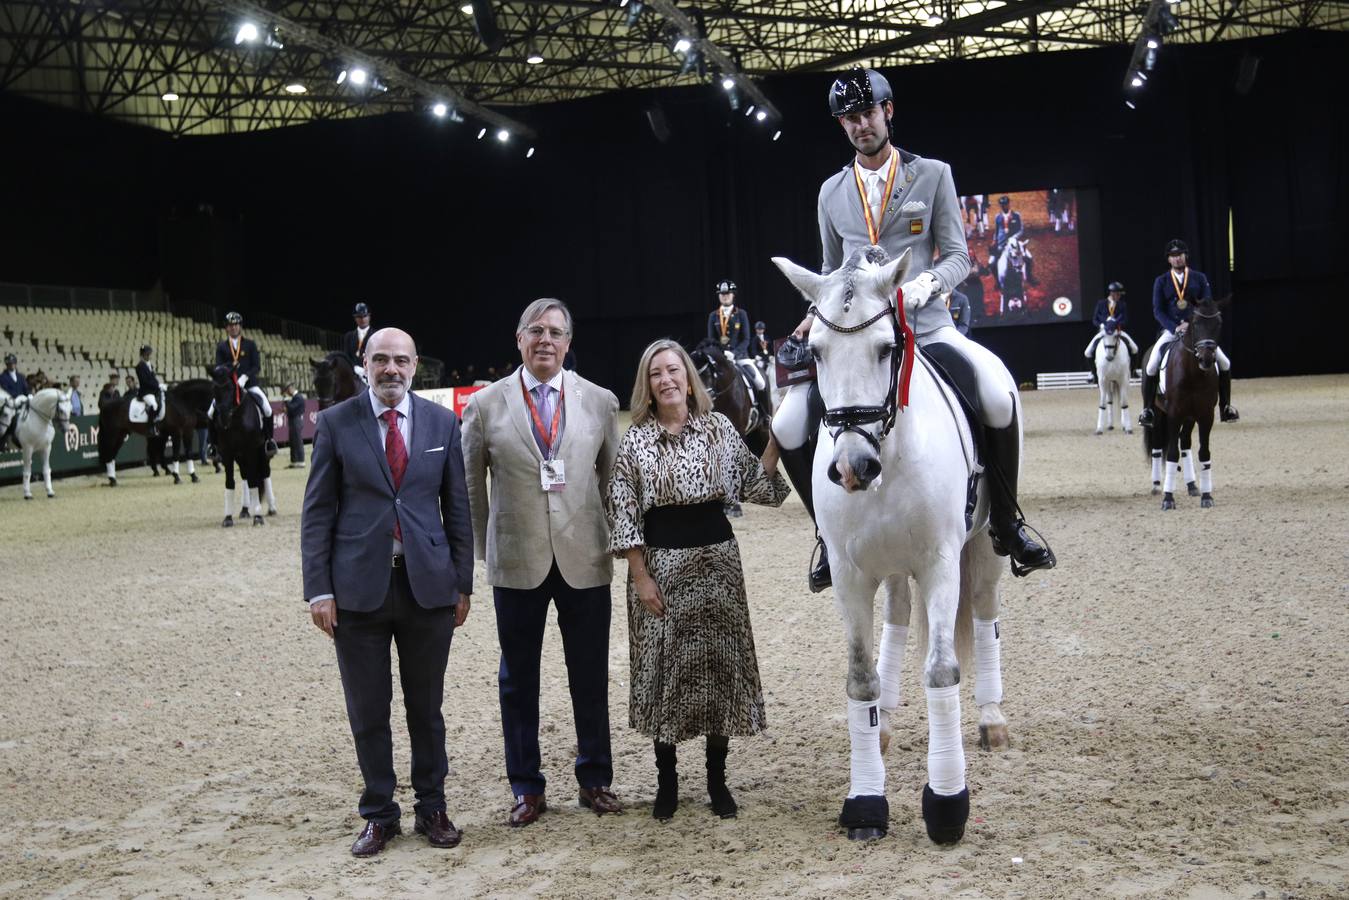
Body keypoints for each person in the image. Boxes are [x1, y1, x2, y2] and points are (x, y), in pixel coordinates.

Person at [773, 67, 1054, 591]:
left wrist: (924, 286)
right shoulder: (830, 193)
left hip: (927, 328)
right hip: (864, 341)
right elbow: (835, 269)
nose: (861, 126)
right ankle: (826, 536)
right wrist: (819, 310)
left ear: (888, 111)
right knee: (788, 426)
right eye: (849, 119)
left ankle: (1008, 522)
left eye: (868, 114)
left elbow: (958, 256)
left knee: (995, 395)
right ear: (842, 125)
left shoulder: (933, 176)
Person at [300, 327, 473, 858]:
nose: (391, 369)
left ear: (415, 365)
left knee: (427, 707)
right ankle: (379, 813)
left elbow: (458, 510)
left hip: (428, 589)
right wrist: (318, 591)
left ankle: (432, 807)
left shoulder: (444, 422)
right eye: (381, 360)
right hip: (356, 592)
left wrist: (461, 584)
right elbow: (317, 513)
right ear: (365, 364)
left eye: (400, 360)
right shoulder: (334, 423)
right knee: (368, 710)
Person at [607, 339, 789, 821]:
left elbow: (757, 485)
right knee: (667, 672)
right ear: (647, 386)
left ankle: (716, 780)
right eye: (655, 373)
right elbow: (623, 517)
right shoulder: (636, 441)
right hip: (662, 570)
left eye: (673, 370)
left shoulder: (719, 429)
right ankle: (667, 782)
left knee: (719, 671)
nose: (666, 379)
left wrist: (777, 437)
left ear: (689, 377)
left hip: (719, 567)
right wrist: (641, 577)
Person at [461, 298, 624, 827]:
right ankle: (526, 786)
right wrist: (487, 551)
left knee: (590, 674)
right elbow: (471, 490)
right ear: (519, 339)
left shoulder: (599, 401)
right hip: (517, 558)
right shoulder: (485, 405)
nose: (546, 340)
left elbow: (611, 479)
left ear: (569, 343)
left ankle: (595, 777)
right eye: (536, 331)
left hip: (584, 555)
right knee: (518, 679)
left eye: (556, 332)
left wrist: (602, 531)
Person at [1138, 240, 1239, 425]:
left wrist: (1192, 323)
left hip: (1197, 331)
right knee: (1152, 364)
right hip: (1171, 330)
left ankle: (1226, 407)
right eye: (1173, 256)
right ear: (1169, 259)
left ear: (1186, 256)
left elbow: (1207, 304)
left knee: (1225, 363)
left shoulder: (1199, 278)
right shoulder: (1161, 281)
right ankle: (1148, 410)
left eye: (1180, 255)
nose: (1177, 259)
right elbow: (1158, 310)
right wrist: (1175, 326)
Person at [212, 311, 277, 456]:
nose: (233, 328)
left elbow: (256, 366)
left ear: (240, 326)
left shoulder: (250, 345)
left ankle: (269, 441)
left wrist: (245, 377)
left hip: (249, 385)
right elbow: (218, 366)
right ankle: (214, 446)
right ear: (226, 328)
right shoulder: (222, 347)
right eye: (230, 325)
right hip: (229, 387)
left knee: (267, 409)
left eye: (236, 325)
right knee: (211, 412)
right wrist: (231, 376)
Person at [706, 280, 767, 396]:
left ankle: (763, 413)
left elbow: (746, 339)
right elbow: (711, 341)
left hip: (740, 357)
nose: (725, 297)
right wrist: (721, 354)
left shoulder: (741, 314)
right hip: (720, 359)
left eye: (727, 294)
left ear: (733, 295)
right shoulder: (713, 316)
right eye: (722, 294)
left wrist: (734, 353)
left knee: (760, 383)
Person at [1083, 281, 1140, 371]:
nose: (1119, 296)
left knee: (1134, 348)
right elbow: (1095, 319)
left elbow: (1125, 320)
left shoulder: (1122, 305)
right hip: (1104, 331)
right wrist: (1101, 325)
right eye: (1118, 294)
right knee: (1088, 352)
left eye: (1119, 295)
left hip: (1117, 331)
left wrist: (1116, 324)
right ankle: (1093, 372)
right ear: (1112, 293)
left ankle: (1133, 370)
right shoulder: (1101, 303)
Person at [135, 345, 163, 437]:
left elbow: (153, 378)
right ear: (142, 355)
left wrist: (159, 385)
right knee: (154, 405)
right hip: (146, 392)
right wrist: (157, 385)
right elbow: (145, 381)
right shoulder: (139, 366)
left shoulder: (150, 365)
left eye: (149, 354)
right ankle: (150, 427)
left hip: (153, 390)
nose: (149, 356)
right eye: (147, 354)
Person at [342, 302, 373, 379]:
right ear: (355, 318)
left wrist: (367, 369)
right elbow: (347, 356)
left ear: (369, 316)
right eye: (359, 317)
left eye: (365, 316)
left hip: (370, 373)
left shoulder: (376, 335)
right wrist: (354, 368)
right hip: (354, 373)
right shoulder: (349, 336)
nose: (362, 319)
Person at [283, 382, 307, 467]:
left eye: (287, 390)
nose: (287, 392)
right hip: (293, 420)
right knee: (293, 441)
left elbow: (292, 408)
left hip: (296, 420)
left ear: (290, 388)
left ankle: (301, 460)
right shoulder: (295, 398)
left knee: (297, 440)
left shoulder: (298, 397)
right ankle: (294, 461)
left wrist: (286, 401)